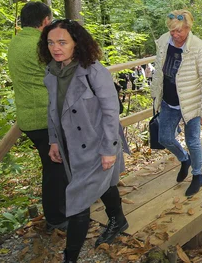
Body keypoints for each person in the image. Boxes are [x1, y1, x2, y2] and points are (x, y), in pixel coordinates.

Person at [39, 19, 128, 263]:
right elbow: (53, 110)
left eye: (62, 42)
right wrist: (54, 141)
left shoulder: (94, 71)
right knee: (105, 183)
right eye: (50, 42)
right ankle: (118, 220)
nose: (55, 47)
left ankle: (70, 258)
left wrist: (109, 149)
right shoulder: (52, 72)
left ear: (76, 43)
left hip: (98, 144)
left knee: (78, 203)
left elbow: (111, 112)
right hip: (71, 146)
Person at [7, 2, 68, 231]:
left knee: (54, 166)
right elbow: (63, 71)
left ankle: (62, 210)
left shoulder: (15, 42)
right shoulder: (42, 44)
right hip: (47, 117)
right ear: (45, 21)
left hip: (28, 117)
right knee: (55, 168)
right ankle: (57, 217)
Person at [150, 10, 202, 197]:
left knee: (193, 141)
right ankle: (184, 159)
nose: (175, 35)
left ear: (188, 28)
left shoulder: (198, 48)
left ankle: (198, 175)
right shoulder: (164, 41)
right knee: (164, 138)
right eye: (172, 31)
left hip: (191, 102)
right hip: (168, 101)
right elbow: (158, 71)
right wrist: (155, 94)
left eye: (179, 31)